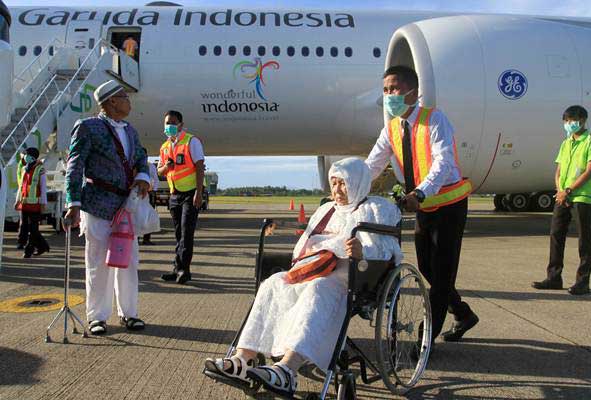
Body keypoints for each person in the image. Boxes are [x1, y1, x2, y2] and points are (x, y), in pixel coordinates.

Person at [204, 158, 402, 398]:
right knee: (274, 282)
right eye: (334, 183)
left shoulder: (375, 209)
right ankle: (242, 360)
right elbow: (303, 246)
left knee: (318, 289)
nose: (338, 190)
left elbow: (387, 250)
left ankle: (287, 369)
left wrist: (362, 252)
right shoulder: (326, 210)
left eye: (344, 184)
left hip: (349, 277)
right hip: (314, 269)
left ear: (358, 183)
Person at [364, 65, 479, 349]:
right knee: (427, 267)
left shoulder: (434, 119)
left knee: (441, 276)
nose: (390, 95)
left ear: (413, 93)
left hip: (448, 206)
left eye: (395, 89)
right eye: (386, 90)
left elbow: (443, 162)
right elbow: (373, 165)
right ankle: (463, 314)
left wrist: (420, 192)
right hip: (422, 208)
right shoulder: (391, 128)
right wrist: (348, 187)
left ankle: (425, 339)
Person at [64, 80, 150, 335]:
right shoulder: (88, 128)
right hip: (98, 203)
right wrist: (74, 203)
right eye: (124, 96)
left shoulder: (130, 130)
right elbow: (74, 166)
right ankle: (97, 317)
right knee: (99, 261)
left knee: (129, 260)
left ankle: (129, 313)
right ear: (111, 101)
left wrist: (143, 177)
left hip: (125, 207)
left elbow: (141, 158)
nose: (128, 101)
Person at [532, 105, 591, 295]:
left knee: (583, 240)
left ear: (583, 120)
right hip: (563, 196)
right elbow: (559, 170)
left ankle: (583, 281)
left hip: (581, 197)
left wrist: (570, 189)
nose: (569, 124)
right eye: (567, 121)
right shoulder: (566, 143)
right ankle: (554, 277)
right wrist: (560, 190)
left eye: (573, 120)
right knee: (556, 235)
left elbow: (590, 170)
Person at [157, 110, 205, 284]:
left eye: (172, 122)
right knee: (178, 234)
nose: (169, 126)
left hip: (190, 194)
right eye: (166, 123)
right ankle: (177, 268)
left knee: (186, 232)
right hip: (174, 195)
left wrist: (199, 193)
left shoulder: (191, 141)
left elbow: (200, 167)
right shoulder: (164, 147)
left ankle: (184, 270)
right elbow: (159, 171)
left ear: (181, 125)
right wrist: (167, 167)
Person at [15, 147, 50, 258]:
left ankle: (29, 250)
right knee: (25, 227)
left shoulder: (40, 169)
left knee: (33, 229)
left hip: (35, 205)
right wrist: (17, 201)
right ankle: (41, 246)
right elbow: (21, 187)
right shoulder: (24, 169)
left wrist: (43, 204)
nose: (25, 157)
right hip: (25, 204)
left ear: (32, 157)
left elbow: (43, 188)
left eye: (26, 155)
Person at [140, 148, 159, 246]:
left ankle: (146, 239)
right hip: (137, 194)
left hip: (149, 194)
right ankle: (135, 238)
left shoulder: (150, 166)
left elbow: (155, 179)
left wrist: (153, 191)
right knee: (136, 216)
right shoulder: (134, 165)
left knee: (148, 216)